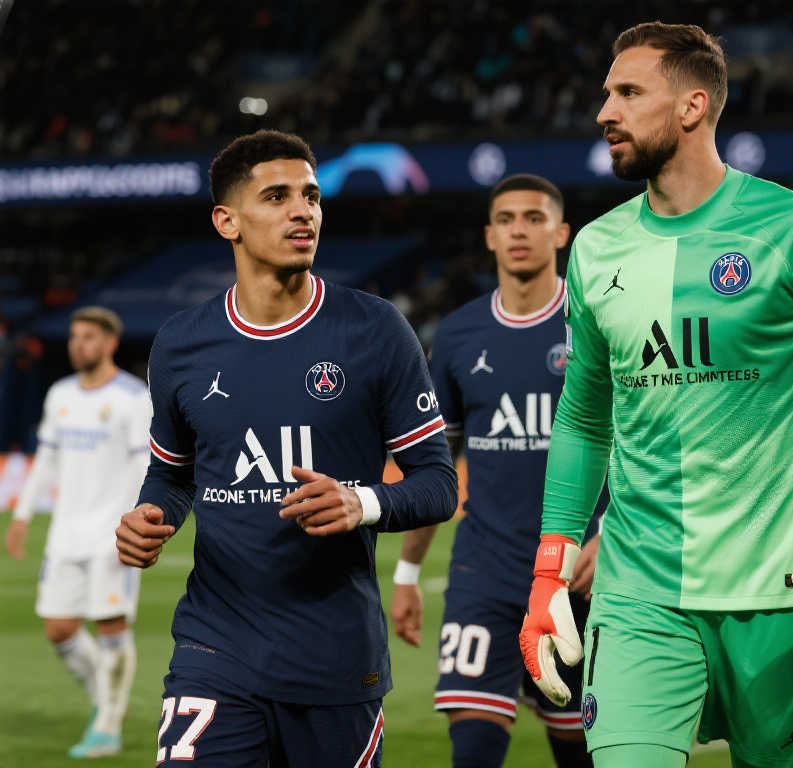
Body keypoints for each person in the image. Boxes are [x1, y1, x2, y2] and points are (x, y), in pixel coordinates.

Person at [519, 22, 793, 768]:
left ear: (692, 106)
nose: (604, 112)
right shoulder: (596, 249)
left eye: (628, 92)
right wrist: (551, 567)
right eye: (606, 93)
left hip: (779, 596)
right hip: (638, 595)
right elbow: (582, 418)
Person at [113, 130, 457, 767]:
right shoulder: (181, 344)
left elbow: (438, 483)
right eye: (277, 197)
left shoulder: (375, 330)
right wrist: (150, 515)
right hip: (214, 647)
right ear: (227, 221)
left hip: (335, 660)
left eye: (311, 196)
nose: (303, 211)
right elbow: (172, 474)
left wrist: (362, 503)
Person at [389, 174, 600, 768]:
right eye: (506, 220)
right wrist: (407, 572)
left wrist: (612, 535)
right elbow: (435, 464)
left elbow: (648, 442)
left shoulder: (598, 321)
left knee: (580, 750)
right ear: (489, 236)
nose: (519, 231)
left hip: (581, 574)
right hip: (485, 571)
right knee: (474, 746)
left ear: (561, 233)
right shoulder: (458, 335)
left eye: (534, 218)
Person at [5, 306, 151, 758]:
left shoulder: (132, 397)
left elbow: (143, 465)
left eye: (88, 337)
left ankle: (108, 724)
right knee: (59, 628)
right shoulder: (61, 394)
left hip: (112, 533)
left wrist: (134, 522)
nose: (78, 345)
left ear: (109, 343)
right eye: (74, 337)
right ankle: (105, 700)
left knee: (110, 625)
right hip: (65, 533)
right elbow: (46, 459)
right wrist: (22, 515)